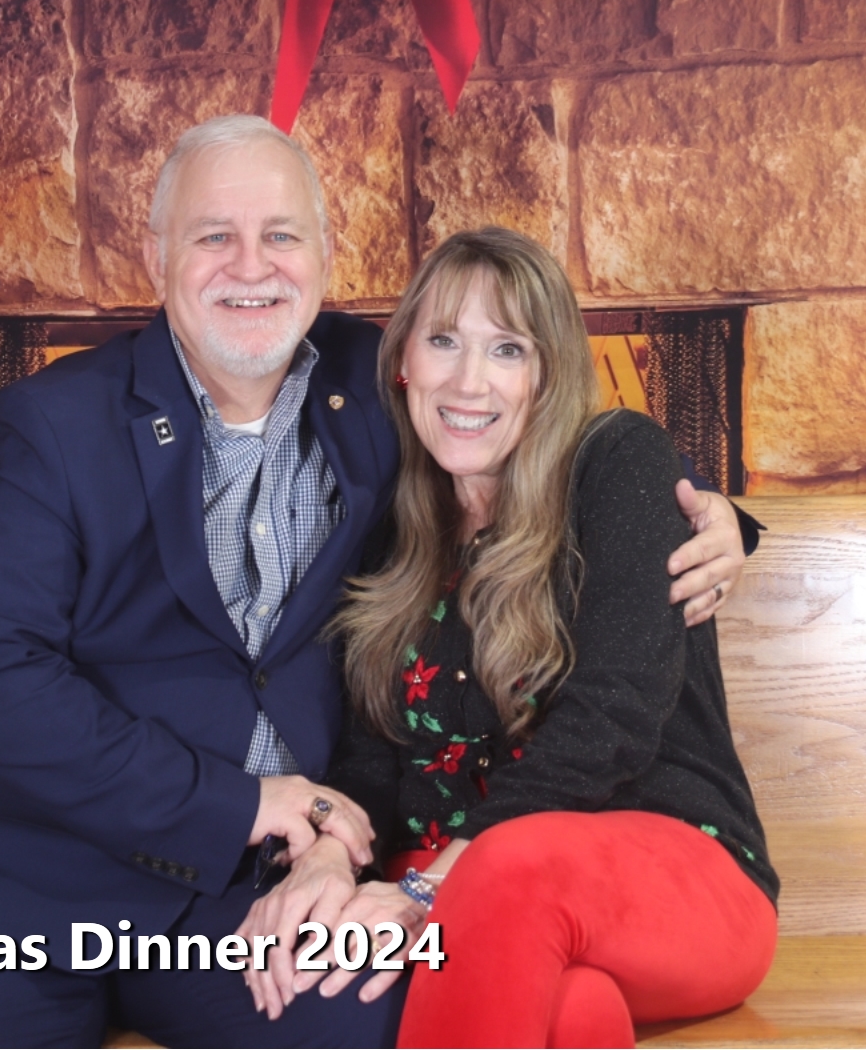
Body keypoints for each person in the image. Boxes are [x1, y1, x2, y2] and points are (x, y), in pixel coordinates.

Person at [0, 117, 755, 1047]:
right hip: (7, 880)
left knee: (424, 1009)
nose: (251, 267)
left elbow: (553, 449)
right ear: (156, 258)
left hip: (243, 895)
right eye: (213, 236)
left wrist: (713, 517)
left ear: (323, 255)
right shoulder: (42, 427)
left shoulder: (382, 384)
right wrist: (246, 804)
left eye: (280, 235)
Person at [238, 227, 777, 1048]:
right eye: (443, 341)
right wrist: (332, 861)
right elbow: (369, 762)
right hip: (453, 883)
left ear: (547, 374)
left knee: (506, 872)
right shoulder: (391, 530)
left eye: (507, 350)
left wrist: (432, 893)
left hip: (664, 874)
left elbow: (613, 715)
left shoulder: (616, 462)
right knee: (568, 1014)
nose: (468, 381)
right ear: (403, 362)